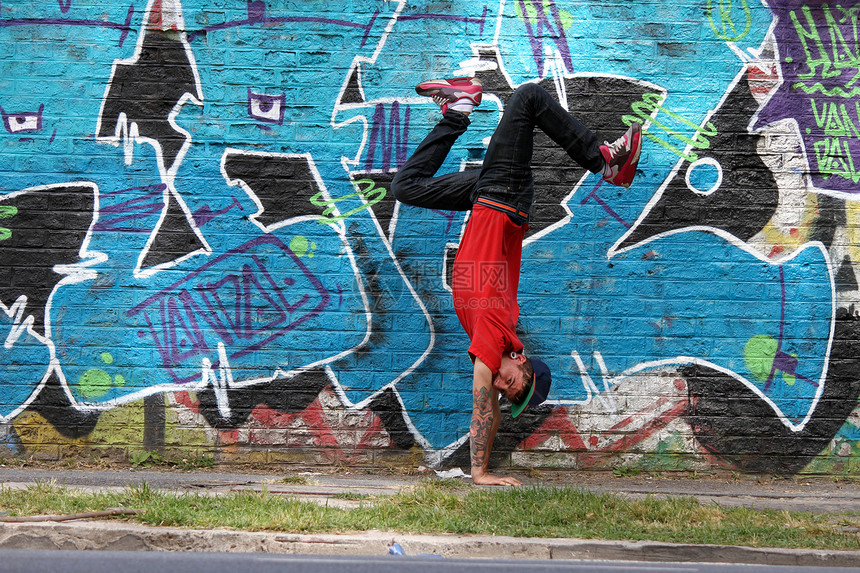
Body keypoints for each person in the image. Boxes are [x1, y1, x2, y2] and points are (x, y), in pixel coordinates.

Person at [391, 76, 642, 486]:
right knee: (527, 97)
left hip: (485, 198)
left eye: (506, 391)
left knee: (406, 187)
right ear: (521, 361)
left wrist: (483, 466)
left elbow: (487, 405)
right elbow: (482, 406)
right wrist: (479, 474)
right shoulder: (495, 334)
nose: (502, 384)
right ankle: (606, 163)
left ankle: (457, 110)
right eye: (513, 382)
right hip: (502, 196)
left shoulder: (490, 343)